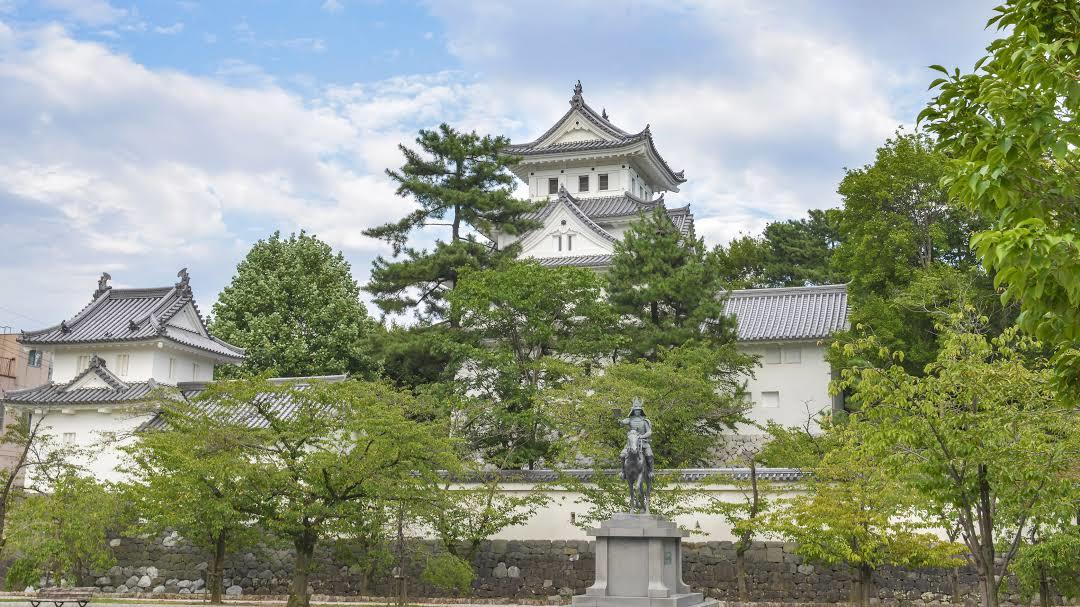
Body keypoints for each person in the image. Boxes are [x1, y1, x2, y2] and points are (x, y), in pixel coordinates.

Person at [619, 397, 654, 477]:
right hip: (632, 442)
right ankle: (623, 472)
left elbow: (649, 432)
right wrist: (620, 421)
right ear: (633, 411)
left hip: (643, 442)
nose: (637, 411)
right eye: (636, 410)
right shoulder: (630, 420)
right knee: (622, 455)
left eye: (638, 410)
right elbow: (623, 422)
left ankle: (650, 471)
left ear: (641, 411)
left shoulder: (645, 421)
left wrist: (642, 436)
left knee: (649, 455)